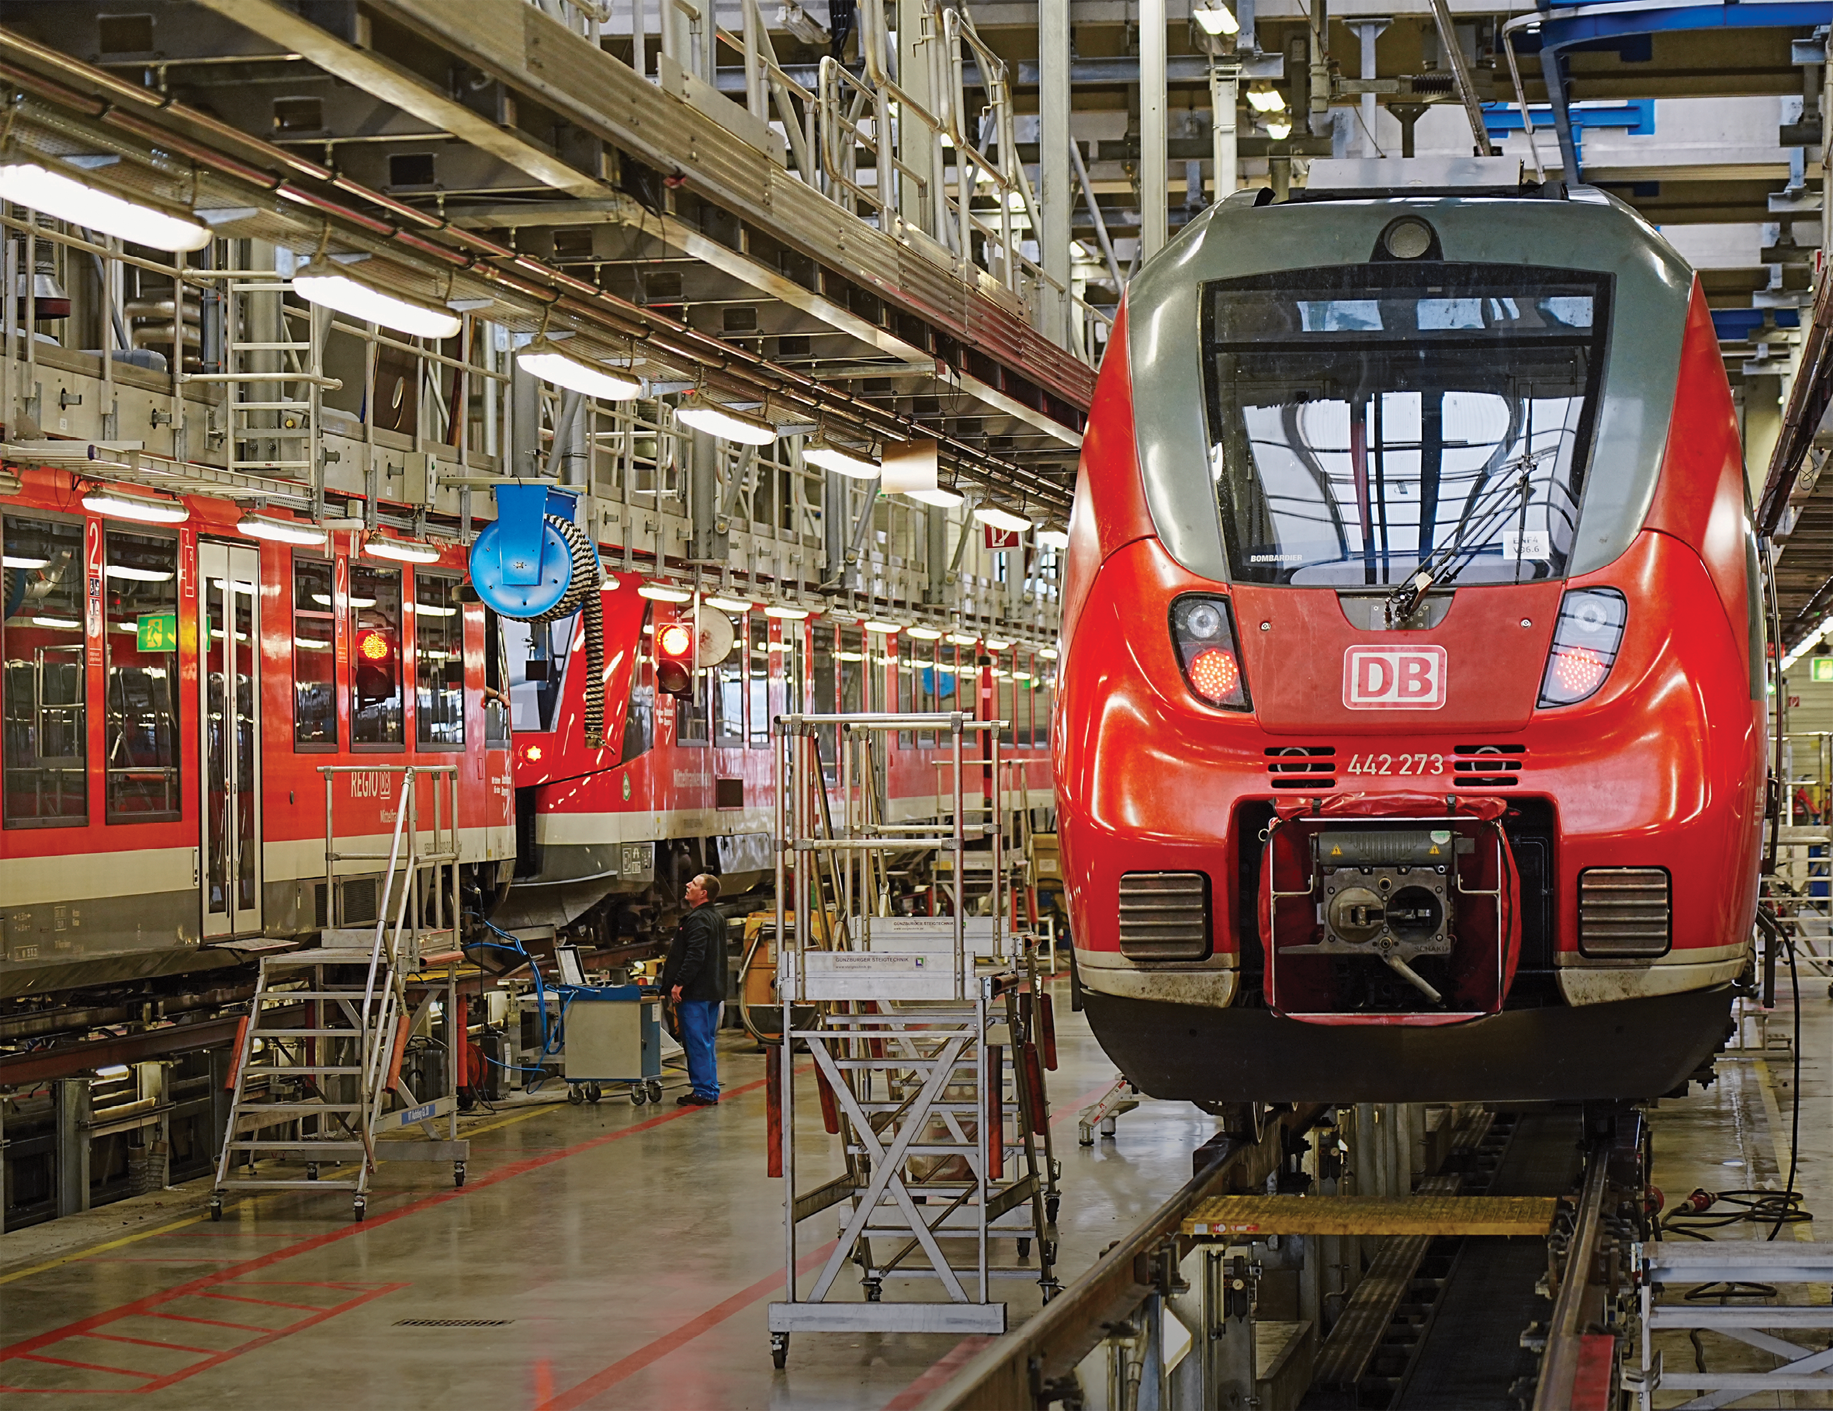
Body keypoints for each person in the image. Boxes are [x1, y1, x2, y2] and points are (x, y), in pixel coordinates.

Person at [663, 873, 726, 1106]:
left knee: (697, 1042)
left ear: (704, 893)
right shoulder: (715, 917)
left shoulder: (698, 920)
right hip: (712, 991)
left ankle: (704, 1092)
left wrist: (679, 983)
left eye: (694, 884)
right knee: (706, 1041)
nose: (688, 885)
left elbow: (694, 955)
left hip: (696, 992)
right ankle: (709, 1087)